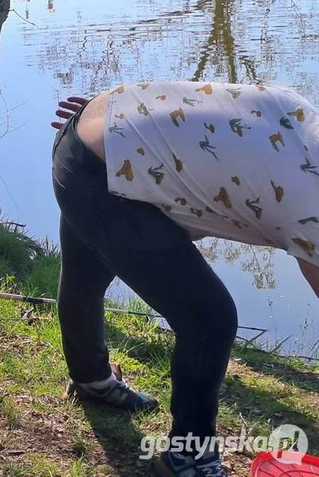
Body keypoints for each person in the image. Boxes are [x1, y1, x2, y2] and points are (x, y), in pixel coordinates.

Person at [49, 80, 319, 477]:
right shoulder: (312, 205)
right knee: (210, 319)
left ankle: (92, 381)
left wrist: (106, 112)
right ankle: (189, 458)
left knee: (85, 274)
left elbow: (195, 104)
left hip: (92, 132)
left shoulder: (300, 112)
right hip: (105, 177)